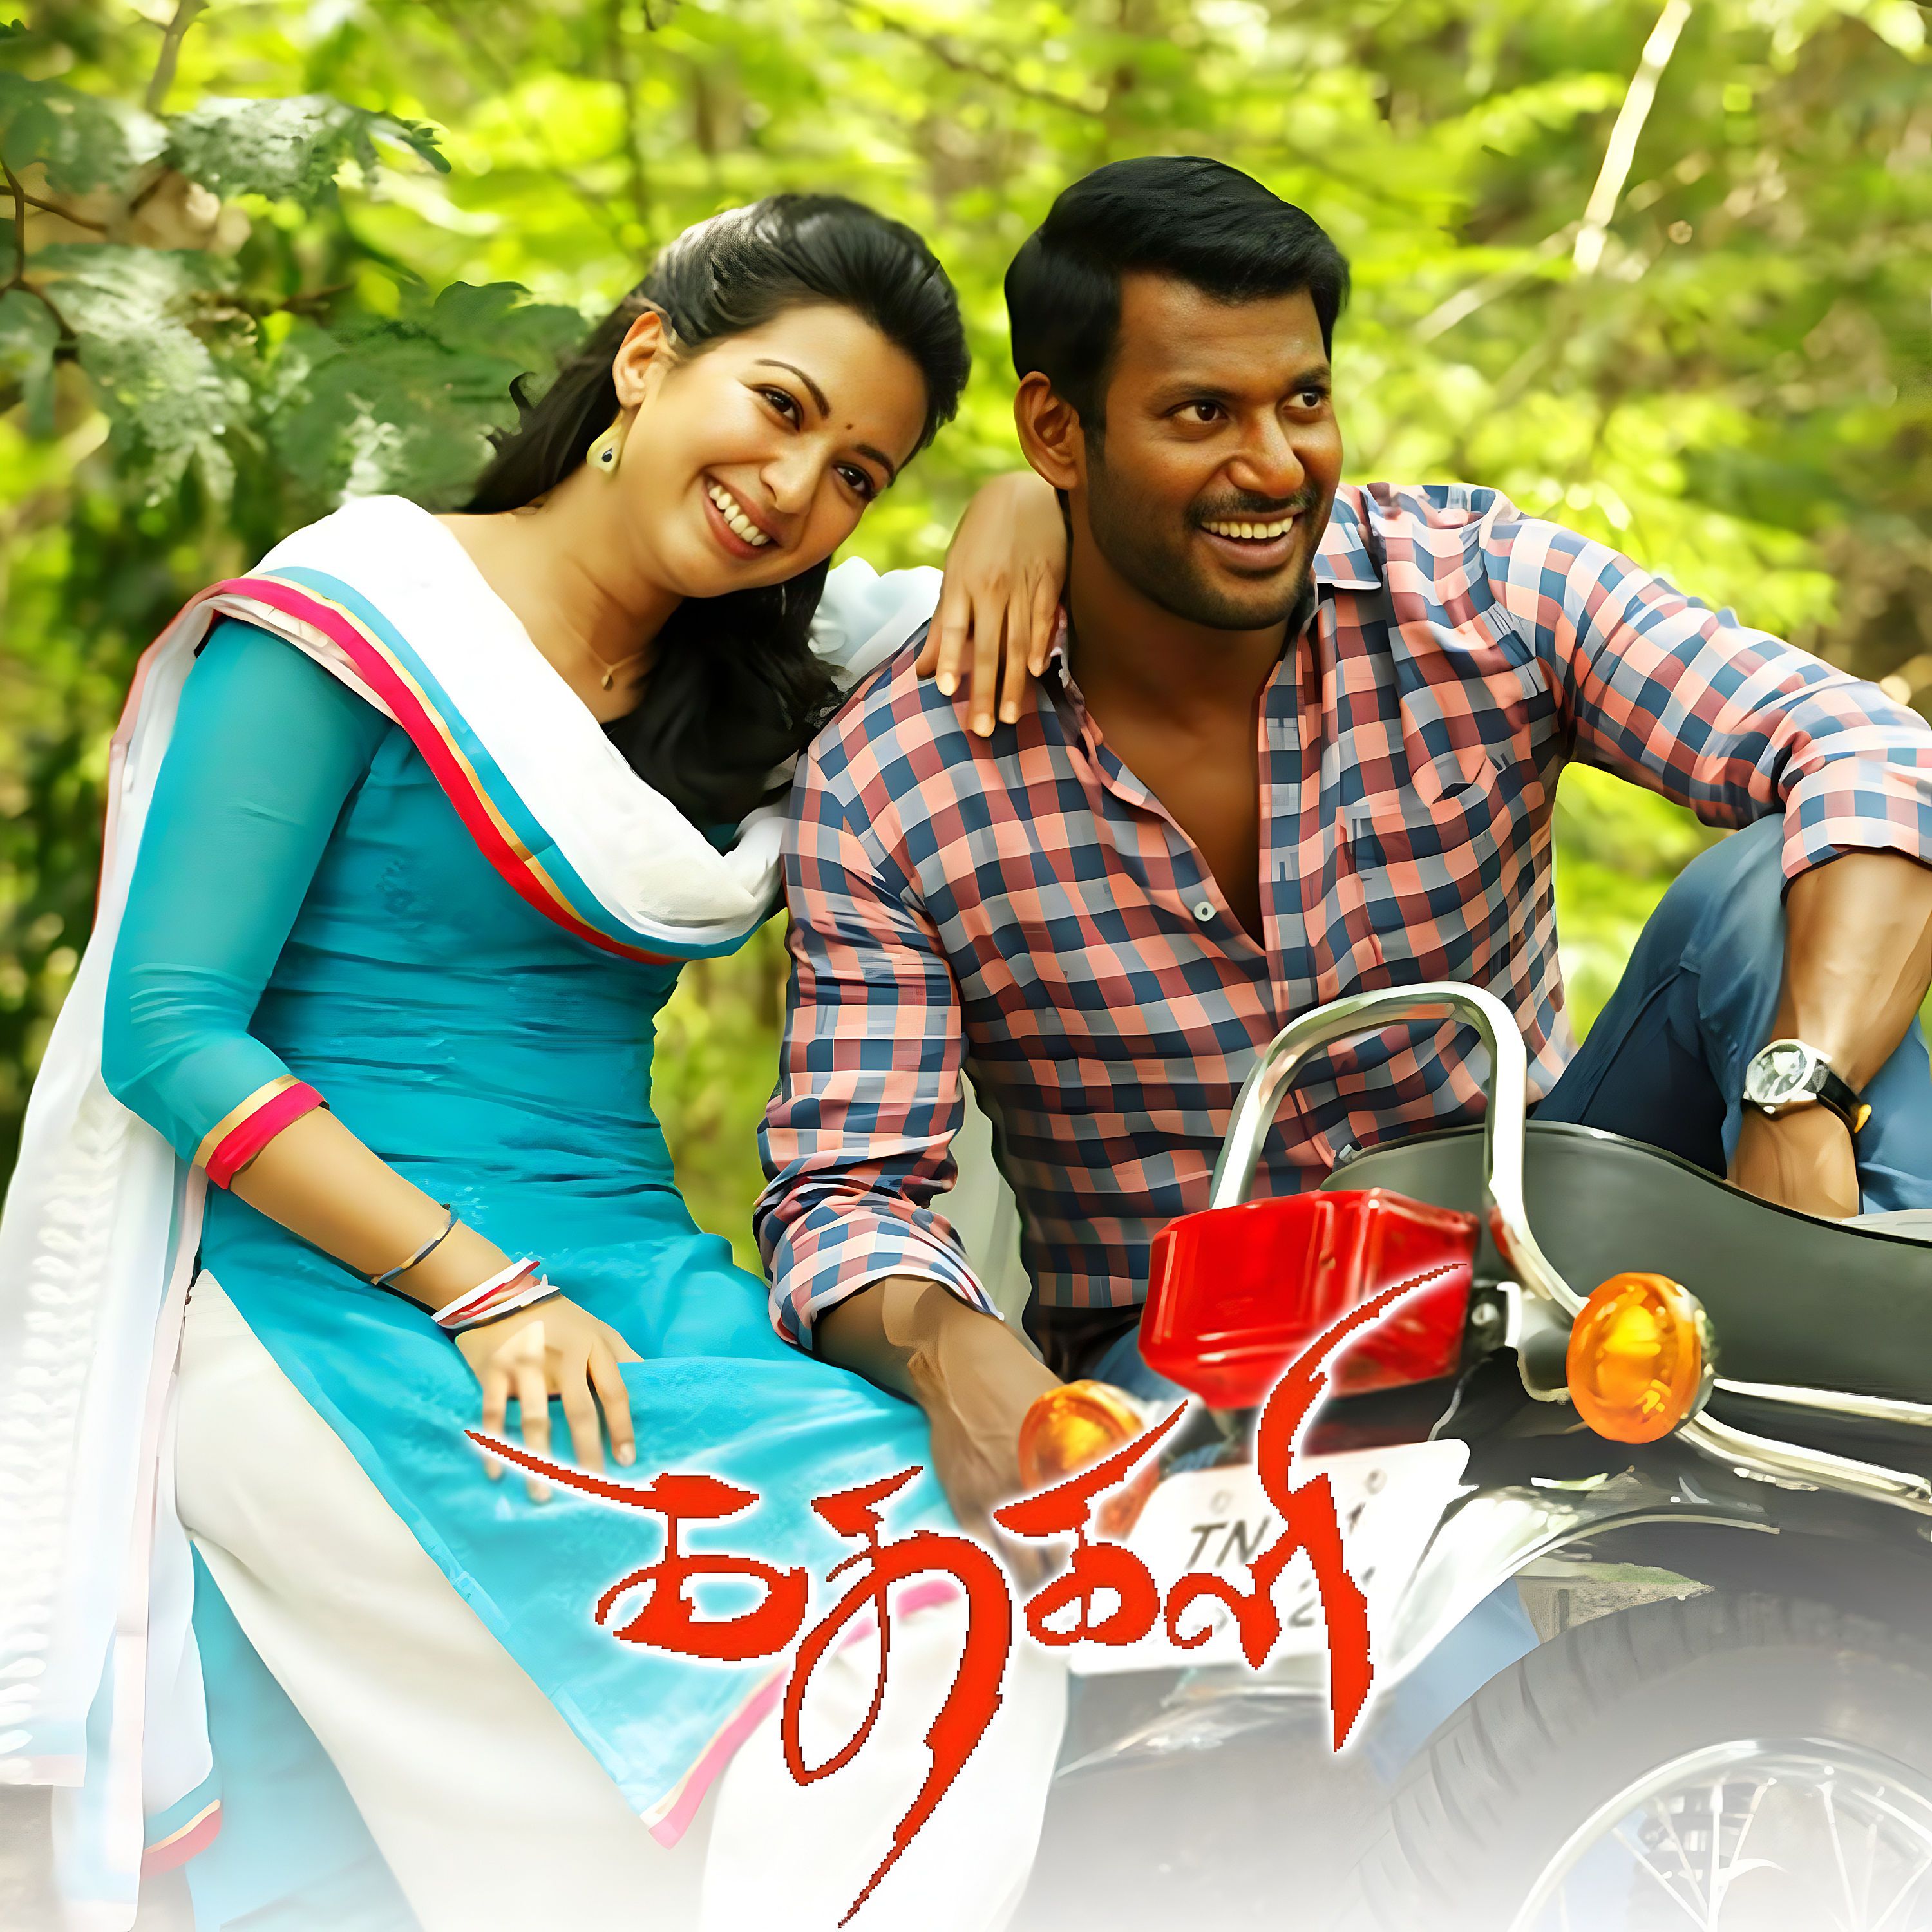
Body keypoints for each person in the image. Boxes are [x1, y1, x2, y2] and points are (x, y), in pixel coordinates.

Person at [0, 194, 1077, 1932]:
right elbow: (170, 1030)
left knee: (975, 1590)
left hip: (639, 1298)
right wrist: (480, 1287)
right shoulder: (359, 613)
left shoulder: (764, 678)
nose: (796, 489)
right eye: (781, 408)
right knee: (895, 1647)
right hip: (347, 1308)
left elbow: (1037, 592)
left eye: (859, 473)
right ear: (647, 358)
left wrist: (1023, 499)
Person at [757, 155, 1932, 1561]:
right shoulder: (895, 781)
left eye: (1302, 401)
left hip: (1538, 1237)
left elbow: (1864, 749)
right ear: (1057, 432)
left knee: (1769, 884)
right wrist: (959, 1359)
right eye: (1202, 413)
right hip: (1202, 1363)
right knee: (1372, 1678)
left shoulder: (1475, 588)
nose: (1274, 465)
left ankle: (1886, 1406)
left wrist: (1803, 1088)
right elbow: (844, 1193)